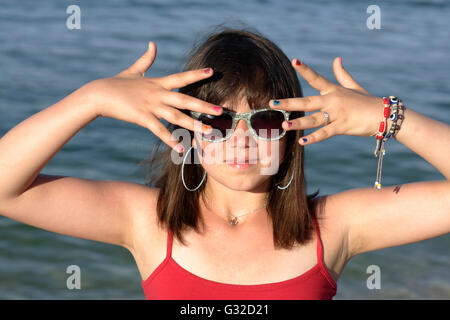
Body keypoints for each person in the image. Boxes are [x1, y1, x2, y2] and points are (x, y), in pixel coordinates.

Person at [0, 27, 448, 300]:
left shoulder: (333, 226)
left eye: (266, 120)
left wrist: (386, 116)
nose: (242, 139)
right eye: (217, 119)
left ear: (292, 134)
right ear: (187, 128)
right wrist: (90, 99)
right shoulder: (146, 221)